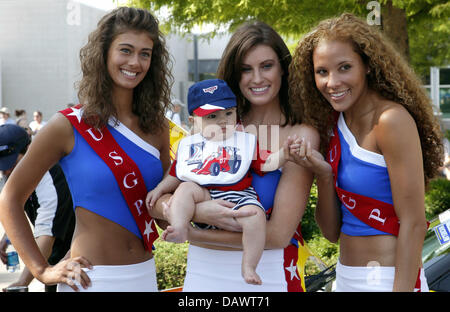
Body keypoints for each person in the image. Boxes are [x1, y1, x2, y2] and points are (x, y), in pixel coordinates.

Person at [0, 7, 172, 292]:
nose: (136, 62)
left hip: (145, 275)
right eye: (126, 50)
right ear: (103, 54)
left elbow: (166, 197)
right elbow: (10, 199)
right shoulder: (67, 126)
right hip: (91, 280)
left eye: (145, 53)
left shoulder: (157, 127)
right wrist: (41, 270)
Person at [149, 21, 319, 292]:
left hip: (265, 275)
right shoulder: (211, 127)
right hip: (202, 274)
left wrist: (193, 231)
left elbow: (276, 235)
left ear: (284, 69)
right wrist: (194, 209)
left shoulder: (300, 137)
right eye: (245, 69)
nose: (257, 78)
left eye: (267, 66)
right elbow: (158, 204)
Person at [288, 13, 443, 292]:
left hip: (390, 281)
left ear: (368, 66)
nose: (332, 82)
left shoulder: (390, 121)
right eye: (322, 72)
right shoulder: (334, 125)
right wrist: (324, 175)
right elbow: (331, 233)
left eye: (344, 67)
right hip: (345, 278)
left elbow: (414, 223)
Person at [147, 79, 296, 285]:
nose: (223, 121)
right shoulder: (191, 146)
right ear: (193, 121)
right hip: (203, 194)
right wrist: (159, 189)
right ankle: (181, 228)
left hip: (240, 196)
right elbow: (175, 175)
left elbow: (267, 163)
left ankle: (249, 264)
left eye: (228, 113)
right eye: (213, 116)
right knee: (185, 189)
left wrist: (284, 155)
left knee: (255, 216)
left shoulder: (245, 141)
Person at [0, 124, 75, 292]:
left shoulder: (50, 178)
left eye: (12, 162)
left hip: (75, 256)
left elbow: (47, 236)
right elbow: (18, 210)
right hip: (53, 257)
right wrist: (6, 239)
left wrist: (22, 282)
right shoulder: (12, 172)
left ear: (29, 150)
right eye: (3, 166)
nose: (7, 171)